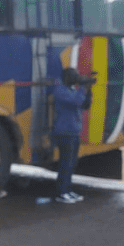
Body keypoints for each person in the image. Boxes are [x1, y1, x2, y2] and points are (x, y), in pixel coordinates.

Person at [52, 67, 93, 203]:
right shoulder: (60, 90)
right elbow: (76, 101)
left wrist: (89, 90)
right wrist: (83, 87)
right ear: (67, 77)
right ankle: (62, 193)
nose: (76, 78)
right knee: (66, 163)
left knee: (72, 163)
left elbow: (85, 105)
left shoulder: (72, 90)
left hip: (74, 132)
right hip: (64, 132)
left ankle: (68, 190)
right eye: (74, 76)